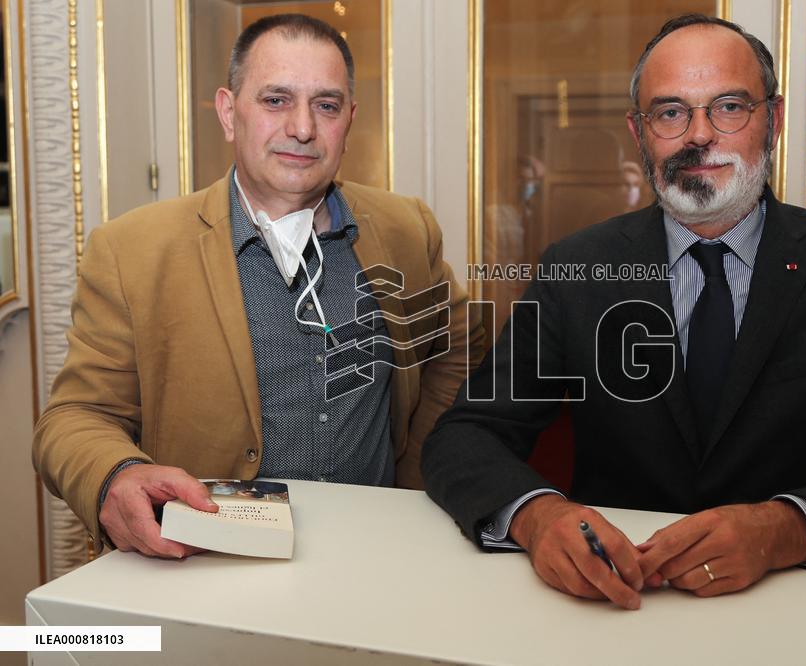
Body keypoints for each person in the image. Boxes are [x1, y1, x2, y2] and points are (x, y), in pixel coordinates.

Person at [421, 14, 806, 610]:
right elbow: (466, 436)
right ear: (640, 133)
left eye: (729, 106)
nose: (698, 135)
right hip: (611, 601)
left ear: (772, 121)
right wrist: (536, 516)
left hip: (785, 605)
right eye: (671, 112)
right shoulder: (576, 266)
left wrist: (785, 529)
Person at [33, 14, 483, 559]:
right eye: (275, 100)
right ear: (229, 112)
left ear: (349, 120)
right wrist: (117, 474)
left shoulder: (406, 229)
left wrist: (417, 473)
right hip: (203, 562)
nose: (302, 127)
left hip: (373, 557)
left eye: (326, 105)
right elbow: (76, 417)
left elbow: (457, 344)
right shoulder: (131, 253)